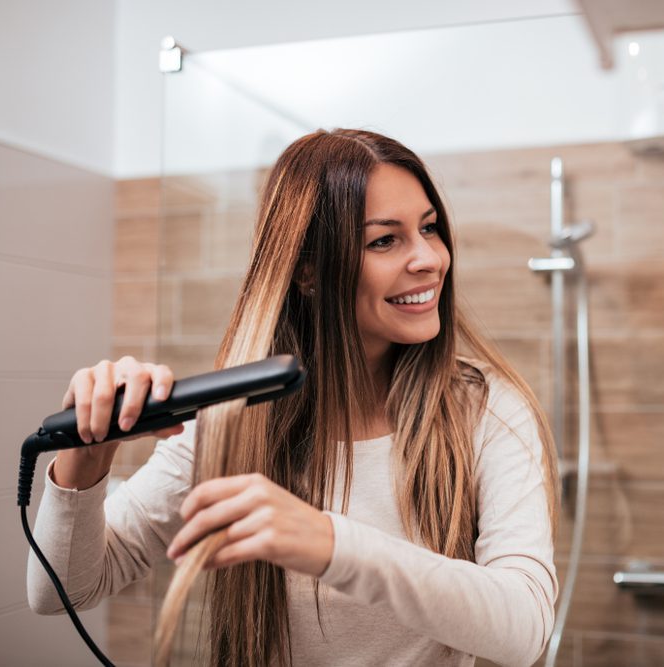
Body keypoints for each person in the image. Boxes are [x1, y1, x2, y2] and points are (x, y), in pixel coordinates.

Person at [27, 129, 559, 667]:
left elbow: (526, 629)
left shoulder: (486, 409)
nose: (430, 258)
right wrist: (85, 460)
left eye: (429, 228)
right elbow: (60, 592)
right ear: (307, 270)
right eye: (384, 240)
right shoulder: (232, 423)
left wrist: (332, 545)